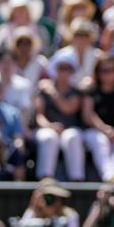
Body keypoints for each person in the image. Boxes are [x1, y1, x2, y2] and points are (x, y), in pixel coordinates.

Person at [34, 52, 84, 181]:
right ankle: (45, 180)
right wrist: (49, 126)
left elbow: (68, 108)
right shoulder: (42, 90)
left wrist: (53, 92)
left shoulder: (75, 91)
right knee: (49, 137)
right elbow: (39, 115)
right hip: (48, 129)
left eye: (68, 68)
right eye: (61, 68)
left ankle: (76, 181)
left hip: (70, 129)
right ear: (55, 70)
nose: (64, 72)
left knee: (72, 136)